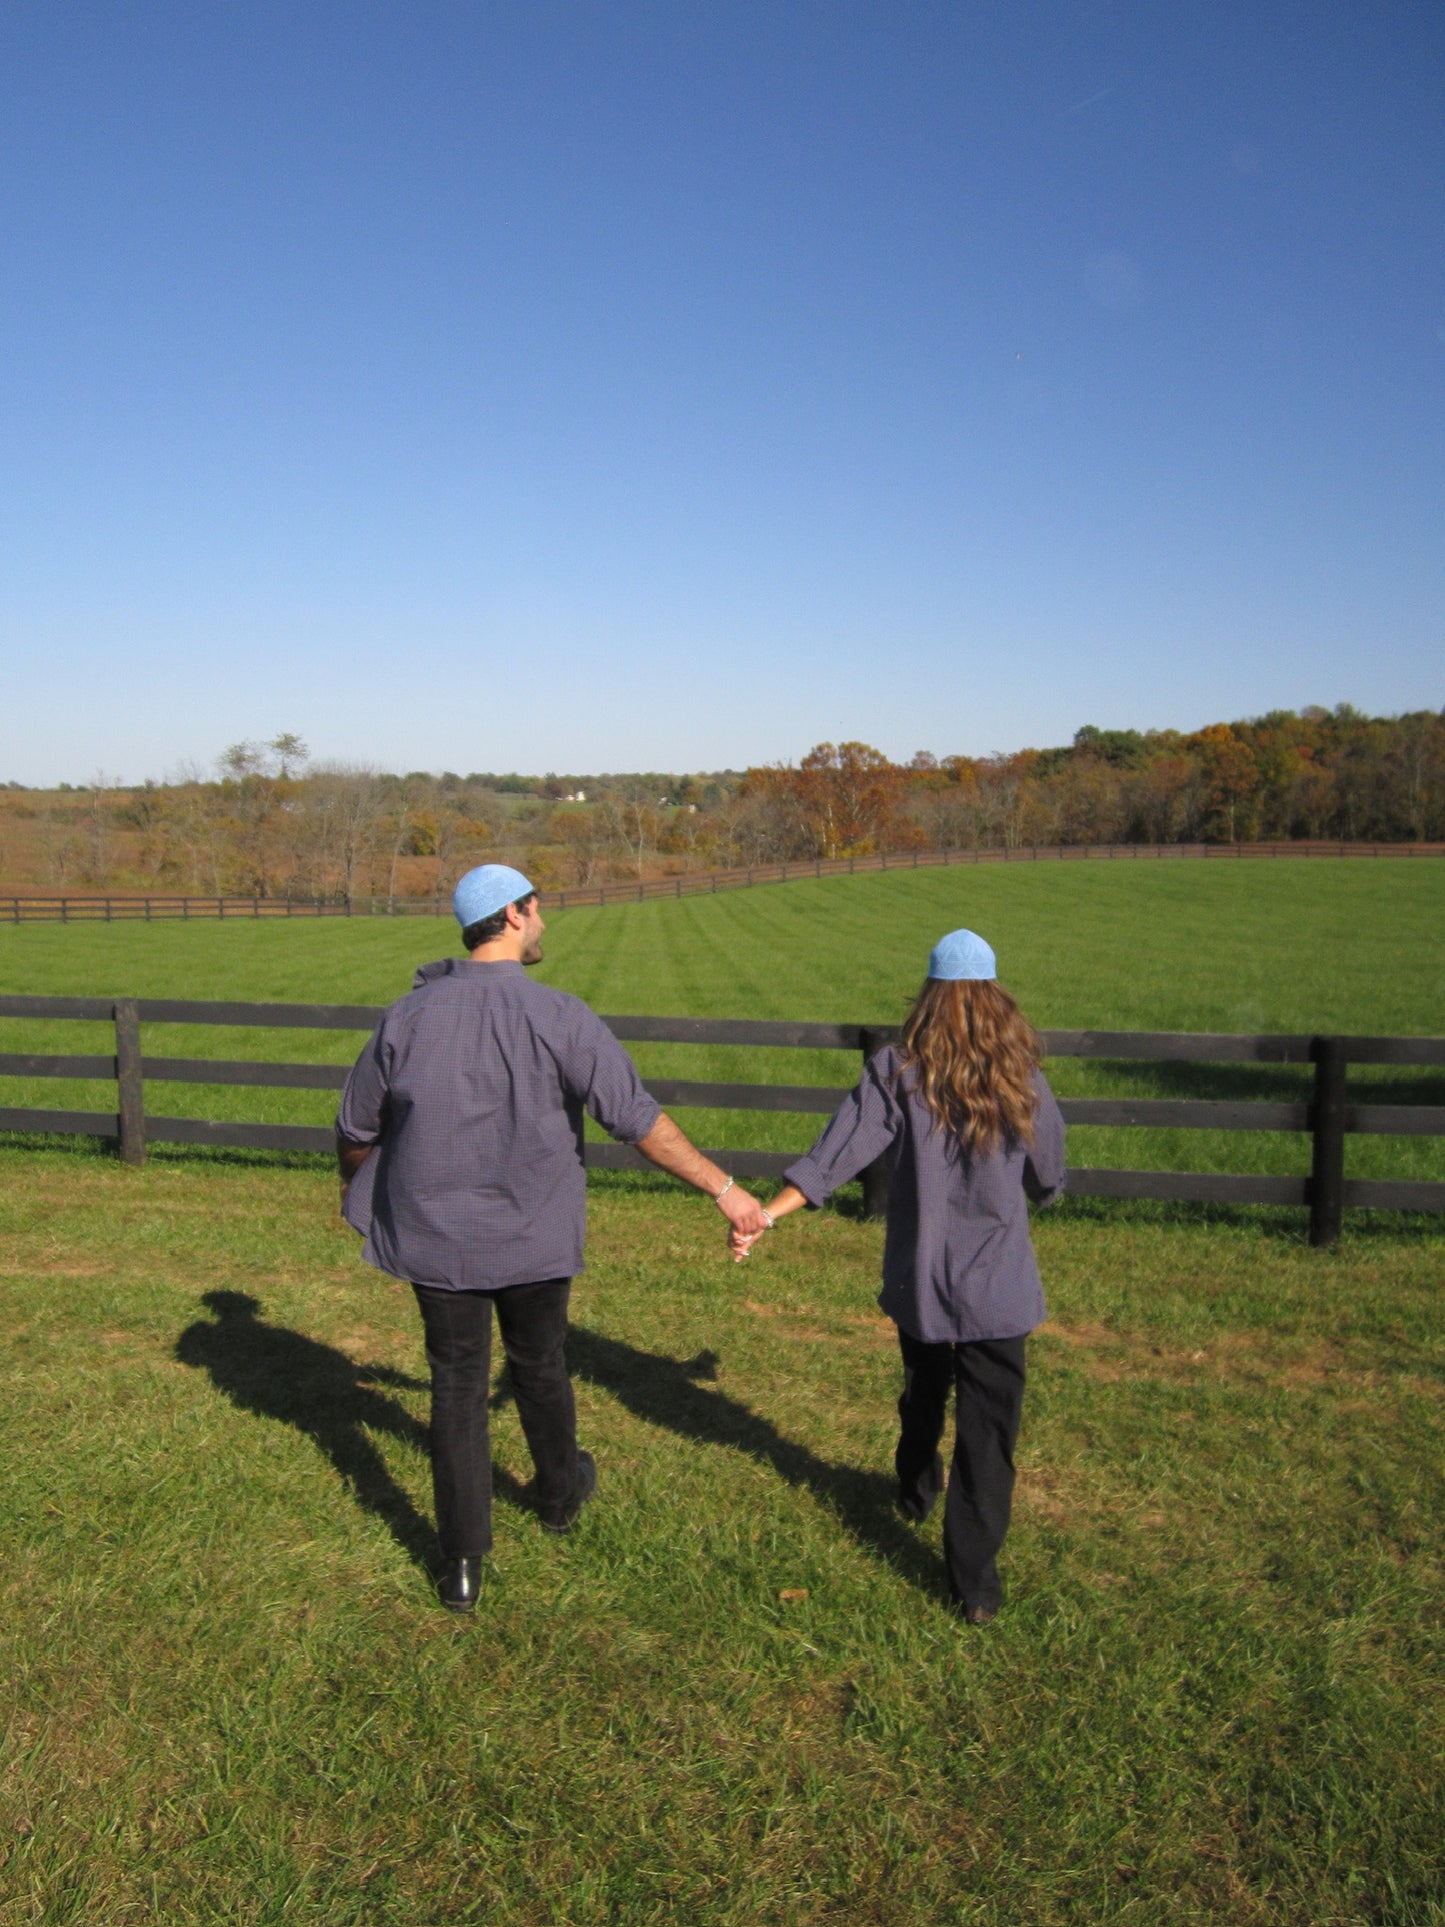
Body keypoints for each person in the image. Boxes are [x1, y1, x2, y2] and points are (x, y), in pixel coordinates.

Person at [336, 863, 770, 1613]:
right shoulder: (562, 1015)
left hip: (438, 1238)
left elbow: (354, 1127)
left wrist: (359, 1193)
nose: (543, 921)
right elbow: (638, 1121)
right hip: (533, 1234)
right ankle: (560, 1495)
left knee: (457, 1388)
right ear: (511, 914)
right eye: (537, 909)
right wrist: (726, 1190)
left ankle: (462, 1566)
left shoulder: (406, 1017)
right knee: (540, 1364)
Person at [729, 928, 1065, 1624]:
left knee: (922, 1388)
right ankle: (973, 1585)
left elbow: (837, 1150)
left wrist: (770, 1211)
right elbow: (1048, 1175)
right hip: (997, 1284)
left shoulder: (895, 1069)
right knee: (988, 1428)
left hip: (922, 1275)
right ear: (995, 996)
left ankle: (914, 1489)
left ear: (929, 995)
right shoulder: (1021, 1073)